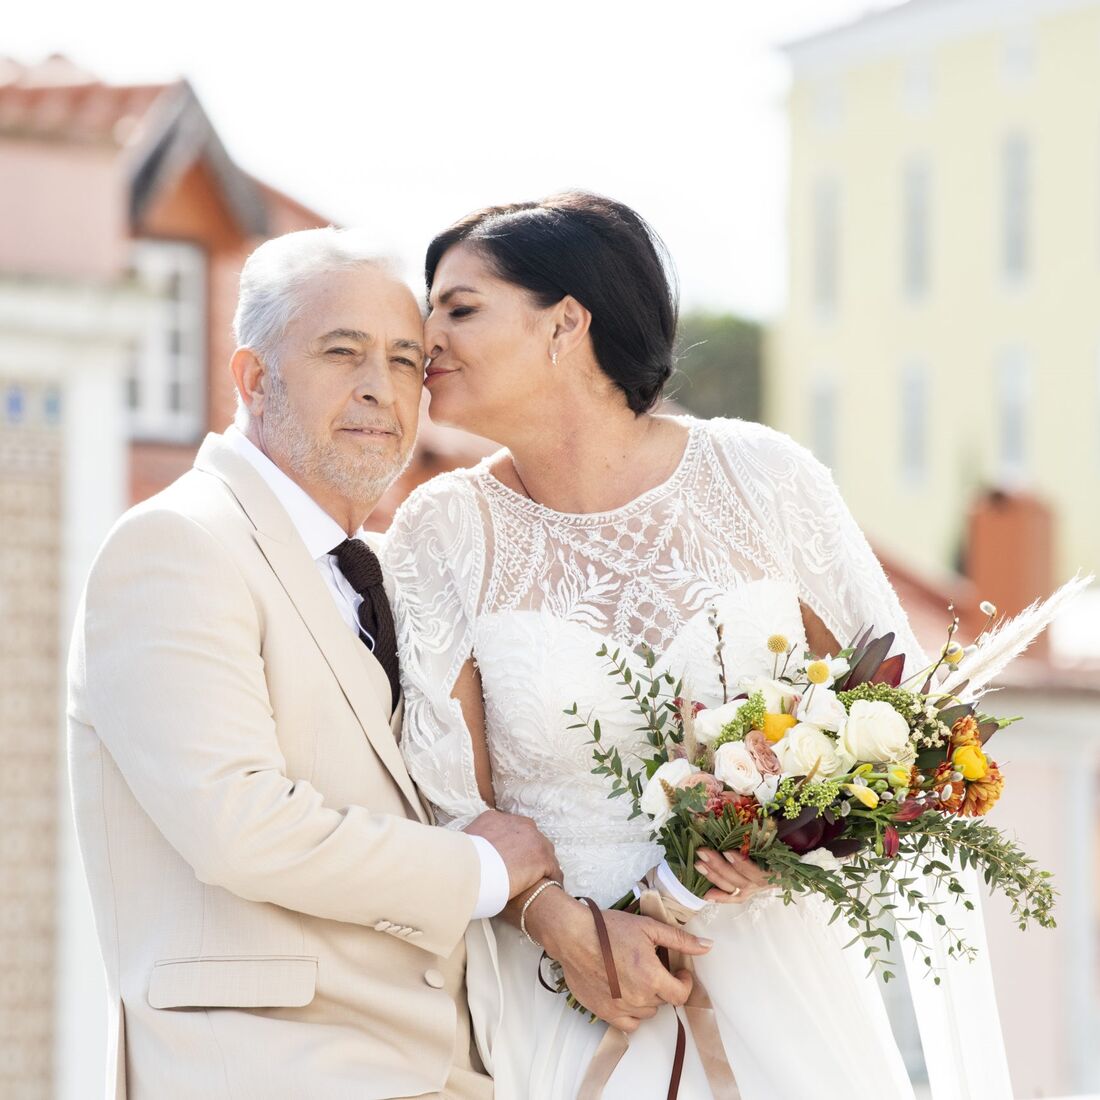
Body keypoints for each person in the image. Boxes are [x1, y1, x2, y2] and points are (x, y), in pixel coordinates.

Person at [383, 193, 1013, 1098]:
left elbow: (908, 717)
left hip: (781, 978)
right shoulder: (441, 530)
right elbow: (446, 800)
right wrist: (564, 927)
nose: (426, 336)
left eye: (460, 307)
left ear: (567, 322)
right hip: (573, 997)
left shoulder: (763, 477)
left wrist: (798, 820)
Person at [66, 228, 567, 1099]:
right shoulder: (175, 545)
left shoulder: (385, 568)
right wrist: (483, 872)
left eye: (406, 359)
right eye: (344, 352)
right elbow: (240, 824)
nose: (380, 386)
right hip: (263, 1073)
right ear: (254, 379)